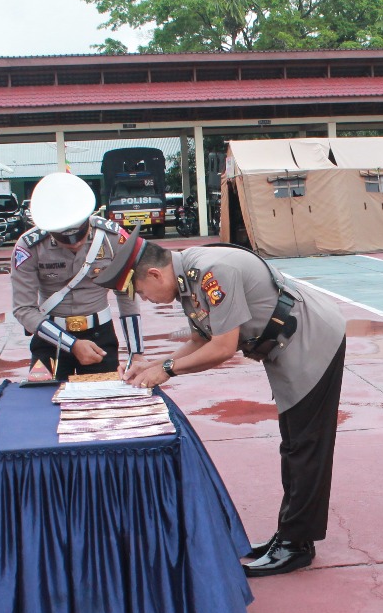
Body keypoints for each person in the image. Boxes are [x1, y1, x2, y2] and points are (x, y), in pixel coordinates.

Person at [100, 240, 348, 577]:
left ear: (155, 274)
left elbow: (222, 347)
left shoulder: (210, 273)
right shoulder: (188, 279)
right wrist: (152, 366)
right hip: (282, 343)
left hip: (310, 339)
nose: (146, 300)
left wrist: (167, 370)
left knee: (304, 445)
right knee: (294, 444)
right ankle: (289, 536)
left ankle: (296, 544)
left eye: (142, 292)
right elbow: (200, 340)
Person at [10, 172, 146, 380]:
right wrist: (72, 345)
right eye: (64, 238)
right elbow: (23, 309)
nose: (74, 243)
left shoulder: (112, 238)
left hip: (100, 337)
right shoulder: (29, 247)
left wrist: (136, 354)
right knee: (43, 404)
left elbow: (127, 294)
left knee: (103, 405)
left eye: (79, 234)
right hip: (50, 339)